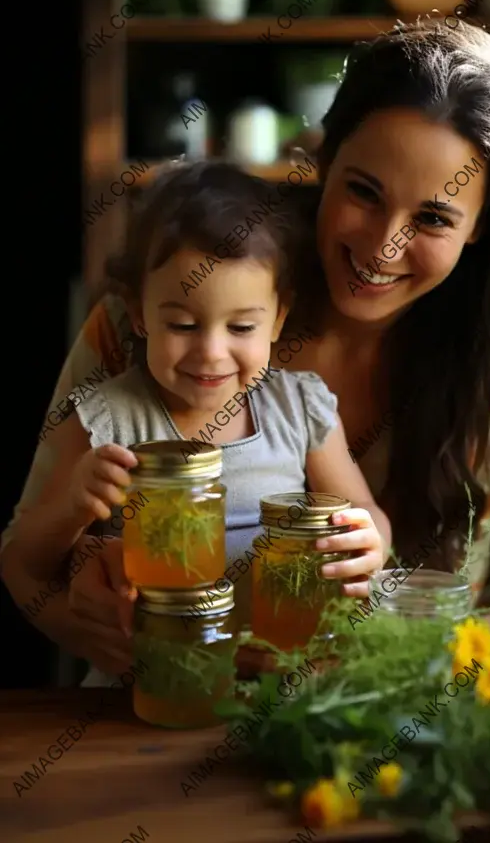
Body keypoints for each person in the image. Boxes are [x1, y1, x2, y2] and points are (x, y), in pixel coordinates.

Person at [2, 18, 490, 678]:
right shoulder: (149, 314)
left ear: (482, 223)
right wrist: (90, 618)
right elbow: (29, 561)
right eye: (363, 192)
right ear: (321, 163)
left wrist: (386, 665)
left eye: (432, 218)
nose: (382, 248)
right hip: (156, 714)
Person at [4, 160, 390, 680]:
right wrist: (75, 503)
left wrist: (371, 542)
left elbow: (364, 512)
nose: (211, 353)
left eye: (241, 326)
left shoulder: (300, 411)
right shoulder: (106, 419)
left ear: (278, 318)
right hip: (148, 684)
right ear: (138, 313)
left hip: (280, 683)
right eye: (182, 324)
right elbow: (26, 559)